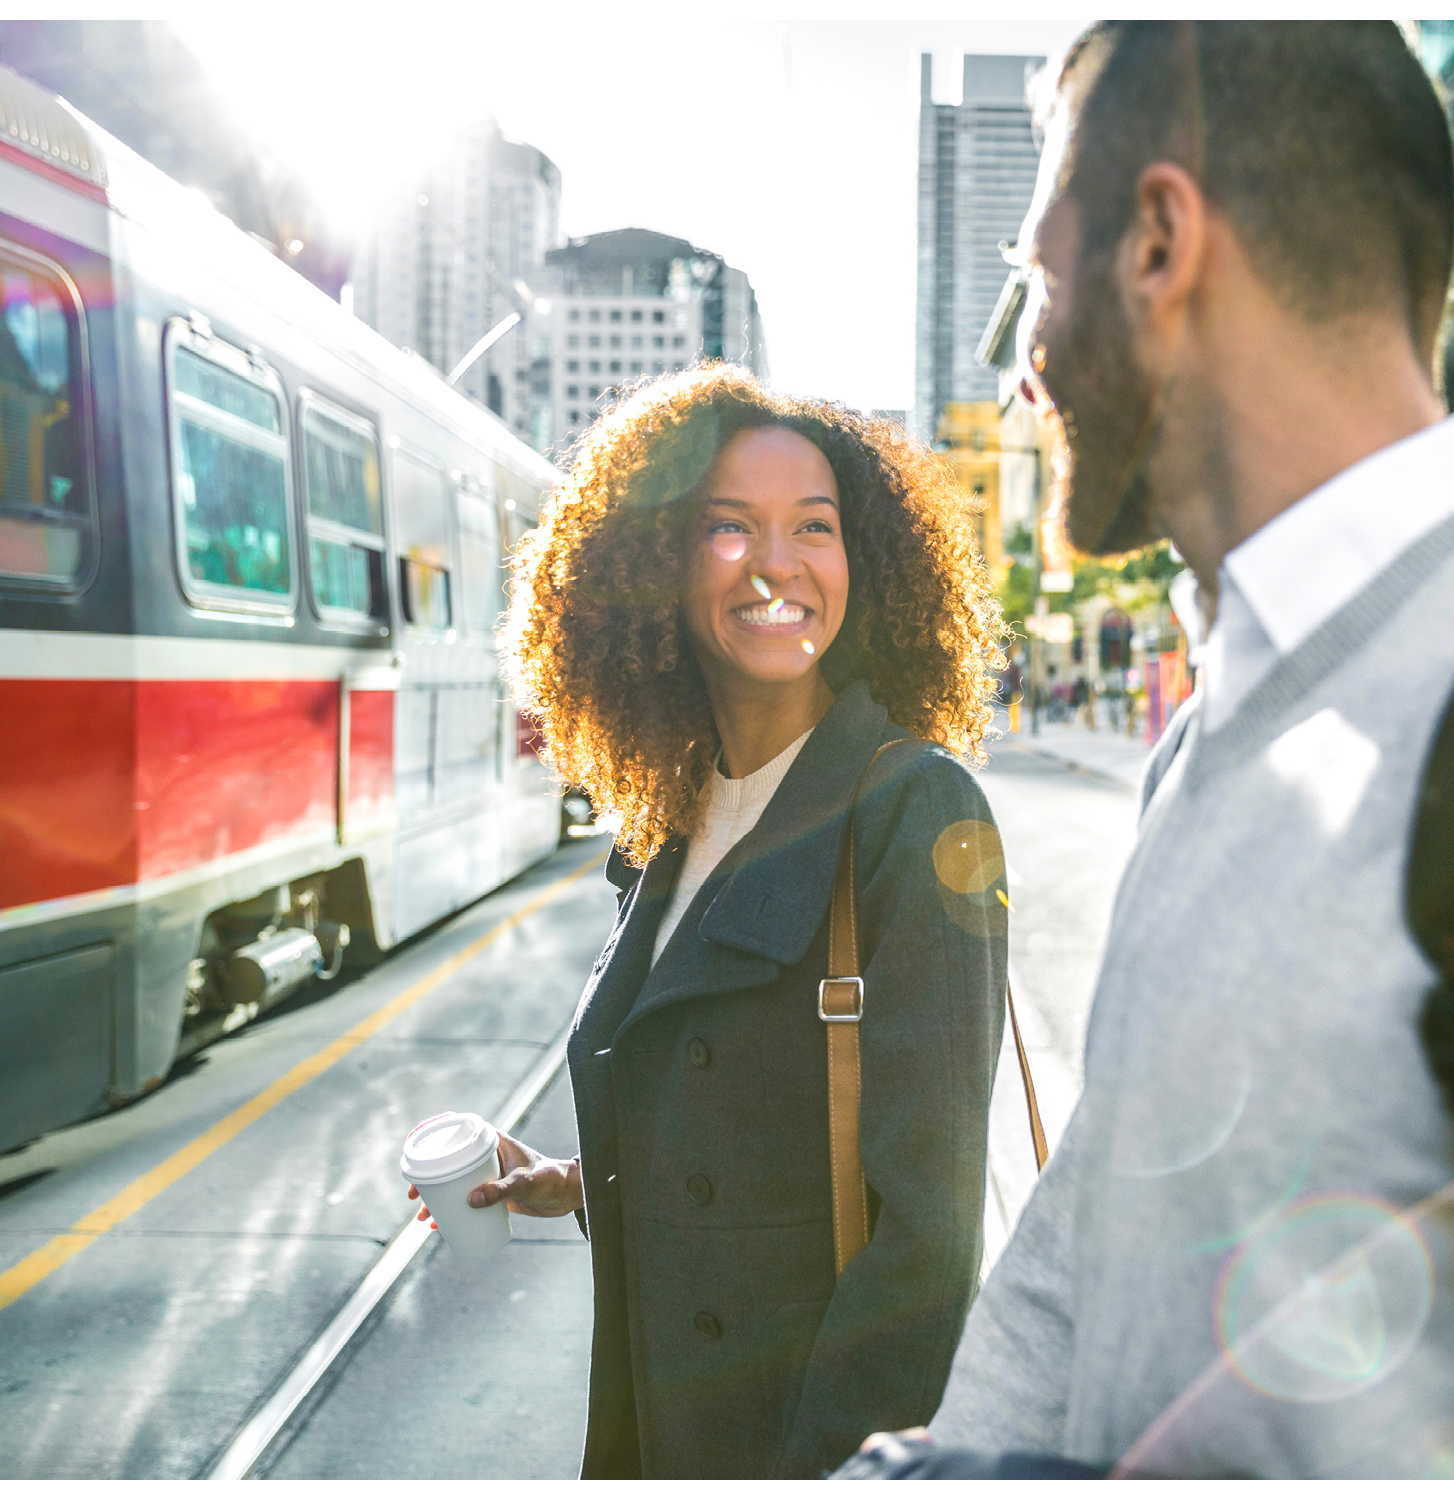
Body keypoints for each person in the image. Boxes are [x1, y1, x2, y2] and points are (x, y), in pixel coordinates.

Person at [838, 20, 1454, 1480]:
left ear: (1159, 244)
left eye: (1032, 282)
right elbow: (1093, 1232)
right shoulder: (1223, 719)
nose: (1027, 371)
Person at [411, 366, 1009, 1477]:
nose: (776, 563)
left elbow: (927, 1241)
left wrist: (837, 1466)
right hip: (652, 1429)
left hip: (793, 1445)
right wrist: (578, 1180)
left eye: (813, 528)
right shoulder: (669, 817)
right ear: (656, 569)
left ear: (861, 565)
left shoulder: (911, 807)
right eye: (726, 528)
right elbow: (750, 1137)